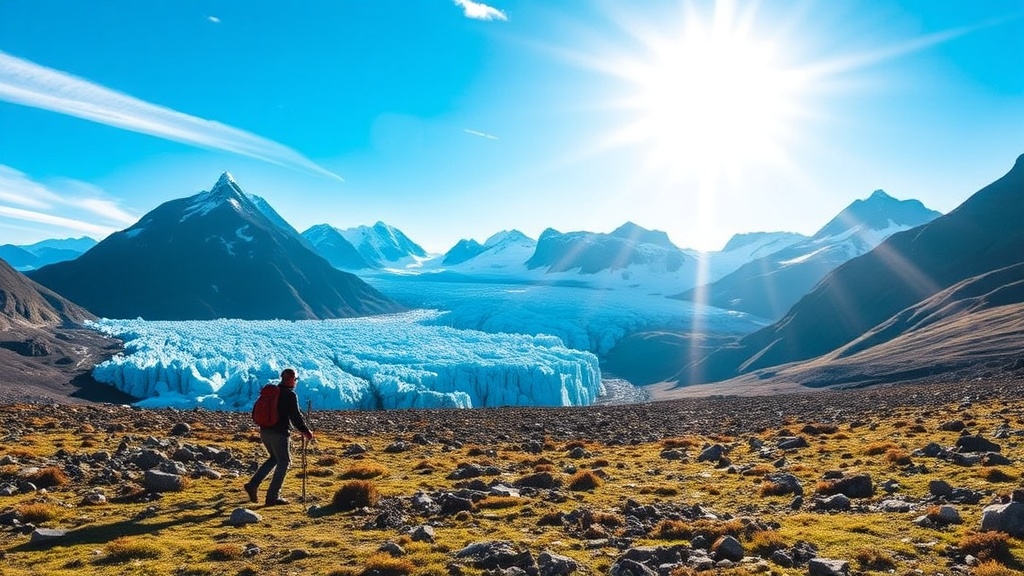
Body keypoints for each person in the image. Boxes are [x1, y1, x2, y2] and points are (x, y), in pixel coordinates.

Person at [243, 368, 314, 506]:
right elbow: (295, 417)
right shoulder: (290, 395)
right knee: (284, 462)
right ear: (290, 379)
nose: (295, 382)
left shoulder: (272, 392)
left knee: (274, 458)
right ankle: (272, 497)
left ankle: (253, 484)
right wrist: (305, 431)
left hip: (265, 431)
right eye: (295, 379)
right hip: (279, 434)